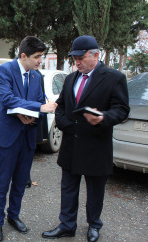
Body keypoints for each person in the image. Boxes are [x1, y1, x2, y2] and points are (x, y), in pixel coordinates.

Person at [42, 35, 130, 242]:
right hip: (71, 144)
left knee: (95, 191)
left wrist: (103, 117)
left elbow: (122, 109)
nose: (77, 62)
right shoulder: (71, 78)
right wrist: (64, 124)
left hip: (96, 145)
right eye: (75, 58)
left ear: (96, 55)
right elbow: (61, 105)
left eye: (81, 58)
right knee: (68, 188)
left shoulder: (114, 78)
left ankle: (94, 225)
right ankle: (67, 225)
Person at [0, 36, 57, 241]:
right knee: (3, 181)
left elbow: (40, 101)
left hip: (28, 135)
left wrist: (35, 114)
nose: (40, 61)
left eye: (41, 57)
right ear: (23, 55)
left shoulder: (37, 76)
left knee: (21, 181)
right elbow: (6, 99)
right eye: (37, 57)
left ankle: (13, 216)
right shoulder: (5, 70)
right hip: (8, 135)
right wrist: (30, 110)